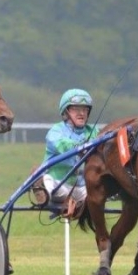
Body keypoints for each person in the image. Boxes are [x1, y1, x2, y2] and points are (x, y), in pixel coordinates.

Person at [33, 88, 99, 217]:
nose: (82, 113)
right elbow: (61, 145)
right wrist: (82, 147)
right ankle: (41, 189)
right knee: (47, 180)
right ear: (66, 112)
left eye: (85, 109)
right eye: (76, 109)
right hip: (59, 185)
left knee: (99, 188)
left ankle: (82, 203)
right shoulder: (56, 130)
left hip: (83, 187)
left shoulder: (94, 131)